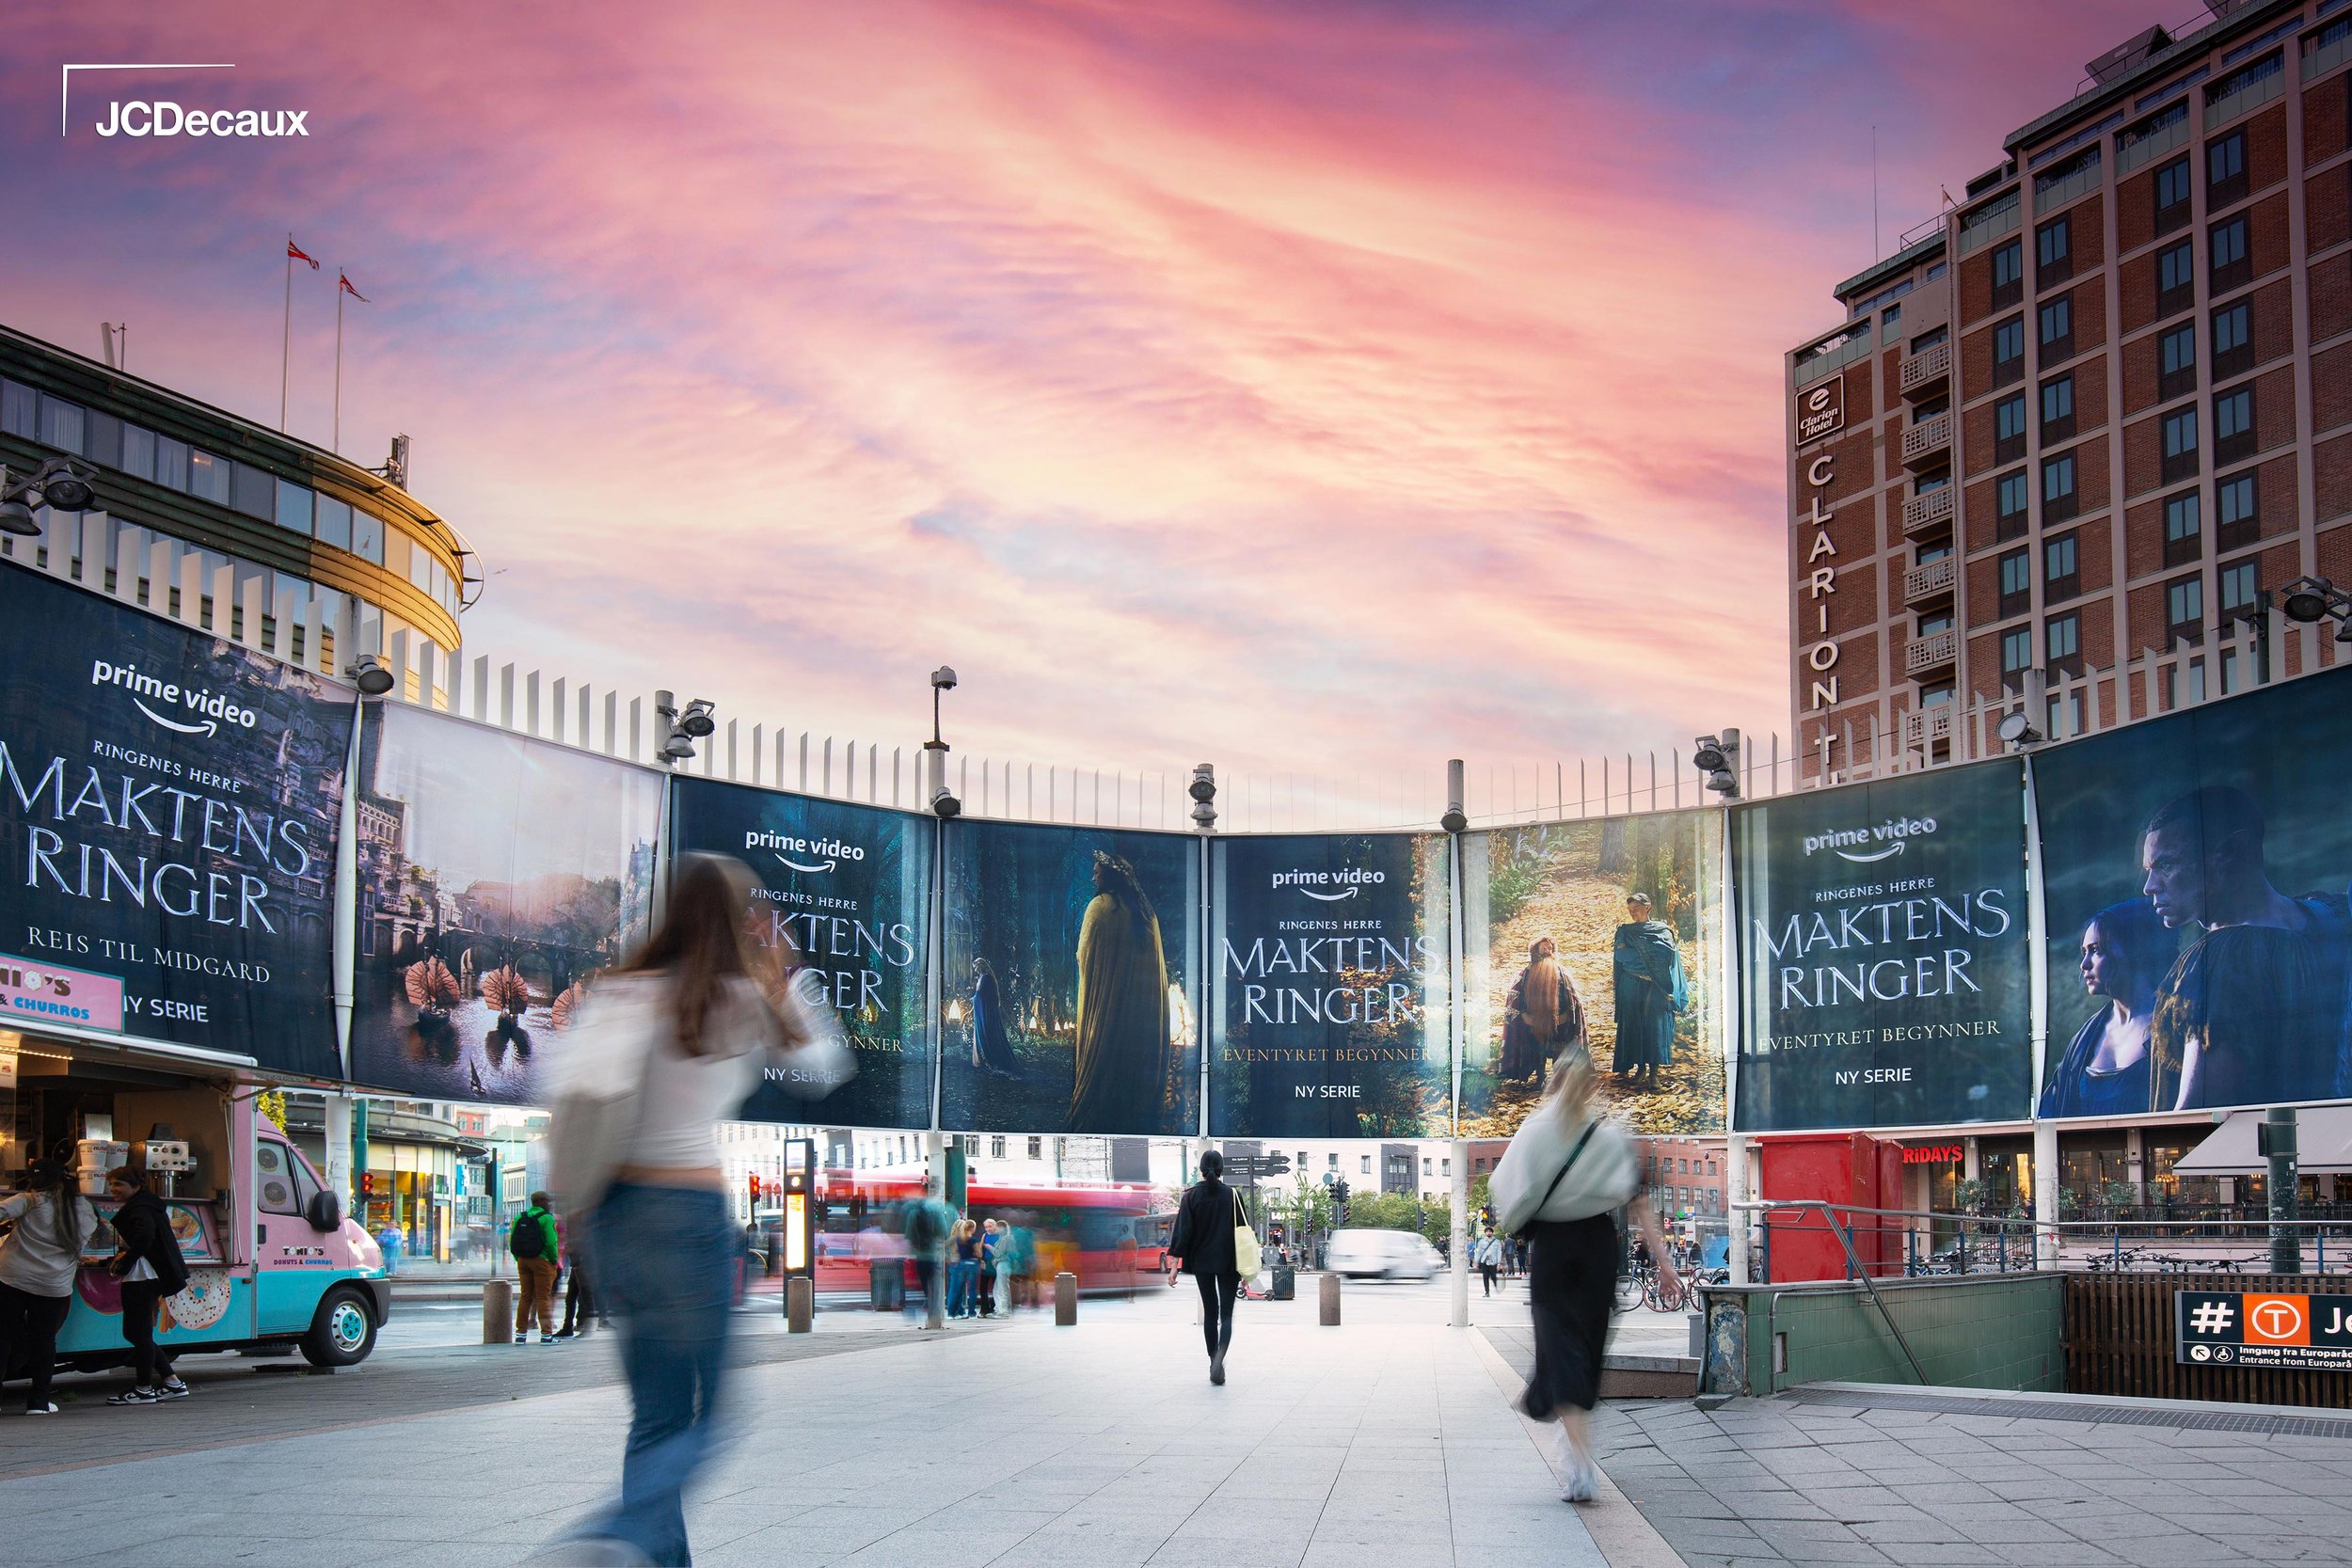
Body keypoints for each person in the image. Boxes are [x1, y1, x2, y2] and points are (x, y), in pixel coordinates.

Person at [554, 852, 826, 1566]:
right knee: (716, 1415)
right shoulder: (740, 1001)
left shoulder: (625, 993)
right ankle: (618, 1533)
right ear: (742, 921)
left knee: (656, 1415)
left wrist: (573, 1213)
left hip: (618, 1216)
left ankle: (645, 1554)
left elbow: (576, 1106)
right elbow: (821, 1068)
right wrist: (784, 975)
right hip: (690, 1215)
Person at [1490, 1054, 1671, 1505]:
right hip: (1598, 1247)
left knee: (1560, 1348)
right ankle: (1578, 1452)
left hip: (1552, 1249)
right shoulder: (1608, 1138)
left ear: (1552, 1081)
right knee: (1585, 1349)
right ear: (1592, 1087)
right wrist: (1665, 1266)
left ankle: (1580, 1462)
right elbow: (1639, 1204)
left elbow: (1502, 1190)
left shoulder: (1533, 1132)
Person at [2140, 786, 2352, 1108]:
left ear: (2234, 851)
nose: (2150, 886)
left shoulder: (2223, 958)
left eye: (2166, 865)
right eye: (2149, 870)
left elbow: (2199, 1115)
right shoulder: (2336, 915)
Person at [1067, 851, 1173, 1132]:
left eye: (1097, 872)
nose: (1093, 876)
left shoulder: (1100, 908)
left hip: (1108, 1018)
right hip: (1142, 1025)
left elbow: (1085, 957)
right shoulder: (1146, 915)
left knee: (1104, 1083)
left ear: (1110, 876)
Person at [2039, 900, 2173, 1118]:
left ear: (2134, 951)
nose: (2084, 964)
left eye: (2096, 950)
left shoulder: (2175, 1023)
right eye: (2084, 952)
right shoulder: (2083, 1041)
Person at [0, 1159, 99, 1415]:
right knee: (44, 1339)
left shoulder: (29, 1199)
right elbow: (85, 1239)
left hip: (12, 1277)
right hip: (54, 1283)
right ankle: (38, 1402)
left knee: (4, 1337)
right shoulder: (82, 1206)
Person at [103, 1165, 190, 1405]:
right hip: (149, 1275)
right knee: (136, 1332)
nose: (113, 1189)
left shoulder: (140, 1208)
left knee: (138, 1332)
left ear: (136, 1186)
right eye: (111, 1184)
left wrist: (125, 1262)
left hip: (142, 1277)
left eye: (119, 1184)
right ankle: (172, 1382)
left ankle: (143, 1388)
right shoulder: (147, 1205)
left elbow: (143, 1238)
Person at [1166, 1150, 1241, 1386]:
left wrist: (1174, 1266)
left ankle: (1212, 1362)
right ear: (1221, 1169)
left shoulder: (1190, 1197)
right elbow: (1244, 1234)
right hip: (1230, 1262)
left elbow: (1182, 1232)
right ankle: (1220, 1357)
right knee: (1226, 1315)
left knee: (1211, 1312)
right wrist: (1247, 1271)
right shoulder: (1233, 1196)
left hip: (1202, 1262)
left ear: (1200, 1169)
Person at [1612, 894, 1689, 1087]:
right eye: (1630, 911)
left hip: (1656, 987)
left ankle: (1654, 1074)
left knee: (1655, 1026)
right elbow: (1621, 956)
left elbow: (1667, 959)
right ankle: (1640, 1069)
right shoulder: (1625, 931)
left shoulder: (1663, 931)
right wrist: (1650, 957)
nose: (1632, 914)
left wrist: (1637, 955)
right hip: (1630, 985)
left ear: (1648, 907)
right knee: (1634, 1026)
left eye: (1636, 909)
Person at [1500, 938, 1586, 1084]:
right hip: (1534, 1020)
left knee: (1558, 1049)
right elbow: (1514, 996)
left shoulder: (1561, 972)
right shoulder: (1526, 973)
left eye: (1550, 948)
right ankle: (1540, 1077)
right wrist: (1523, 1015)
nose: (1548, 951)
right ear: (1535, 950)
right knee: (1538, 1048)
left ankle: (1558, 1080)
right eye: (1544, 948)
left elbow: (1572, 997)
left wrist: (1566, 1015)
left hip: (1558, 1019)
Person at [511, 1192, 562, 1345]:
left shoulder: (521, 1217)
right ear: (541, 1202)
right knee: (543, 1297)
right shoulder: (547, 1218)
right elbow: (551, 1242)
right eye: (548, 1201)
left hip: (523, 1261)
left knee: (525, 1296)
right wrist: (553, 1260)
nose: (550, 1204)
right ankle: (546, 1335)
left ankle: (520, 1334)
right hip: (542, 1261)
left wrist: (518, 1258)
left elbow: (512, 1240)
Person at [902, 1180, 955, 1325]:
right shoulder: (937, 1210)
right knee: (935, 1287)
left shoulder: (913, 1211)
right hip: (933, 1255)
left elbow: (909, 1236)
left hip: (919, 1255)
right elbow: (944, 1233)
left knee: (922, 1284)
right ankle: (934, 1314)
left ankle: (924, 1309)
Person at [970, 958, 1022, 1075]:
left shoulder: (987, 978)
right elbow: (980, 995)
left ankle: (991, 1060)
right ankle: (985, 1059)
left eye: (976, 967)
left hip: (986, 1013)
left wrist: (976, 999)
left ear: (981, 965)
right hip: (982, 1012)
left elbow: (985, 996)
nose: (975, 970)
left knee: (988, 1034)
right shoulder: (983, 977)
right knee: (984, 1034)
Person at [557, 1228, 599, 1338]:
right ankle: (567, 1327)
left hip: (584, 1264)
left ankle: (587, 1327)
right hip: (576, 1264)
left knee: (585, 1296)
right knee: (570, 1297)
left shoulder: (586, 1225)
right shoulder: (574, 1224)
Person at [946, 1217, 981, 1320]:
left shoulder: (960, 1238)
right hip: (956, 1264)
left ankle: (959, 1311)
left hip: (959, 1264)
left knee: (959, 1289)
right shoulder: (955, 1238)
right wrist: (948, 1258)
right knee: (956, 1289)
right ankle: (956, 1312)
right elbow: (942, 1247)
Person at [977, 1218, 1001, 1318]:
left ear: (995, 1226)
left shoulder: (1000, 1236)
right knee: (983, 1287)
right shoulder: (985, 1235)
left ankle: (995, 1308)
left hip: (996, 1264)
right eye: (986, 1227)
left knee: (996, 1288)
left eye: (990, 1226)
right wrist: (980, 1259)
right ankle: (984, 1309)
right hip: (986, 1263)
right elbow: (980, 1248)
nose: (988, 1229)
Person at [1472, 1227, 1503, 1298]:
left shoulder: (1496, 1241)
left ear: (1492, 1233)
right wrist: (1476, 1262)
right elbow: (1479, 1252)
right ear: (1485, 1233)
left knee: (1493, 1276)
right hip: (1484, 1261)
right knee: (1485, 1276)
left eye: (1490, 1231)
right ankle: (1487, 1291)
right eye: (1487, 1231)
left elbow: (1499, 1252)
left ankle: (1496, 1286)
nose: (1489, 1233)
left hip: (1493, 1261)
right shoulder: (1481, 1242)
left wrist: (1499, 1263)